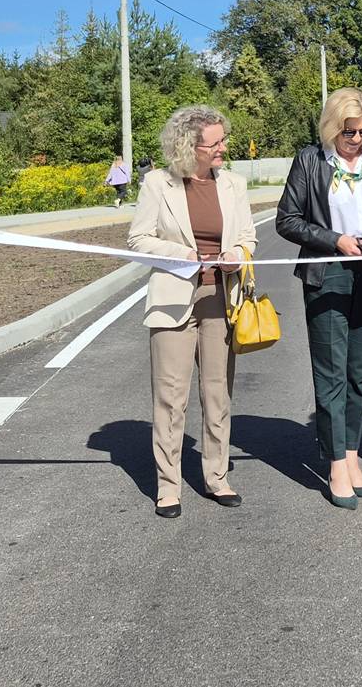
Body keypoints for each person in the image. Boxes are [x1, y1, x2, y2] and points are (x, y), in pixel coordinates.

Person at [277, 88, 362, 510]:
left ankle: (352, 457)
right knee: (331, 372)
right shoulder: (310, 160)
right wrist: (336, 240)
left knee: (358, 371)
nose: (357, 140)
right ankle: (334, 463)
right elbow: (288, 219)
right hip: (327, 273)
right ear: (334, 127)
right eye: (350, 132)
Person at [126, 105, 256, 518]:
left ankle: (217, 477)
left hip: (221, 299)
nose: (223, 147)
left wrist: (237, 254)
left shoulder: (234, 184)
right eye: (214, 142)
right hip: (172, 301)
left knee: (217, 394)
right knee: (170, 397)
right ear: (189, 146)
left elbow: (249, 236)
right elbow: (138, 239)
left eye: (223, 139)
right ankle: (169, 486)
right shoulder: (156, 184)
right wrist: (184, 254)